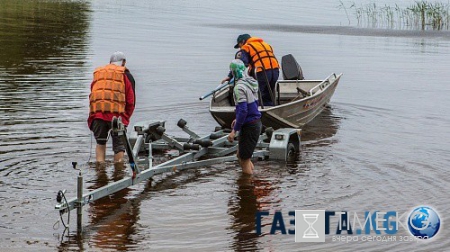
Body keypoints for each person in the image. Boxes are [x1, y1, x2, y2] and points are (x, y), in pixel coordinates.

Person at [87, 51, 136, 163]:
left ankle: (100, 171)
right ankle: (118, 174)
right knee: (119, 147)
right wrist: (125, 118)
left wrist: (93, 116)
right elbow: (130, 101)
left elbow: (93, 95)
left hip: (97, 115)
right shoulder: (126, 75)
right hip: (117, 117)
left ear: (110, 63)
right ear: (123, 62)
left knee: (100, 143)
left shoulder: (99, 74)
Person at [227, 59, 262, 175]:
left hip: (250, 125)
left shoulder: (239, 88)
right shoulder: (251, 82)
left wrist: (234, 131)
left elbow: (243, 110)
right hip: (254, 122)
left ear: (234, 72)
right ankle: (250, 178)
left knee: (244, 159)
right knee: (240, 155)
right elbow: (252, 105)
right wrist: (238, 119)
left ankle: (247, 186)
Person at [233, 34, 280, 106]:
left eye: (239, 46)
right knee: (268, 92)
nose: (240, 48)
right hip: (275, 71)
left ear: (242, 42)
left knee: (256, 93)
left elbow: (240, 64)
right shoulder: (266, 44)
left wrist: (231, 76)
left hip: (262, 72)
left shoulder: (246, 46)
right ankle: (269, 107)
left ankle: (255, 110)